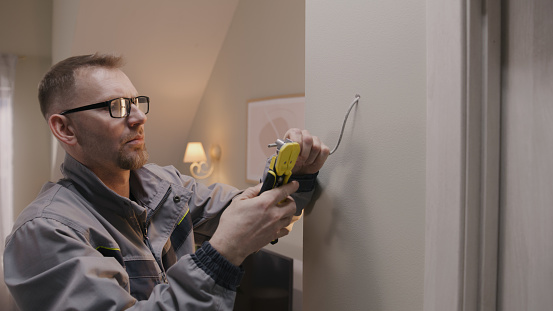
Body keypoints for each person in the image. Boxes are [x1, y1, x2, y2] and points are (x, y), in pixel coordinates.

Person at [3, 53, 329, 310]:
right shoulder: (45, 233)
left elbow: (260, 212)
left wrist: (296, 173)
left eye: (136, 102)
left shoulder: (167, 187)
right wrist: (222, 255)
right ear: (65, 129)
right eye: (116, 107)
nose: (139, 117)